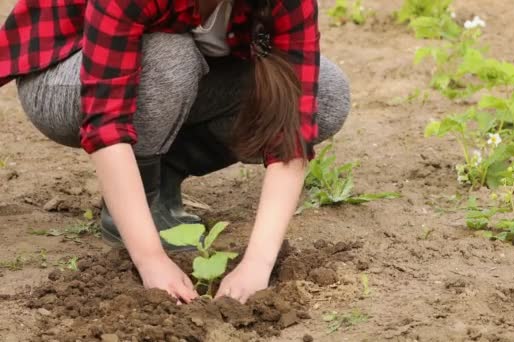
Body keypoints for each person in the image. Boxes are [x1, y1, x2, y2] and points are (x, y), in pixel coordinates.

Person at [0, 0, 350, 304]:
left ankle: (165, 173)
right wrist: (151, 259)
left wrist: (257, 265)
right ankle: (135, 202)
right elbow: (105, 125)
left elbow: (291, 130)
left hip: (165, 74)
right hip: (62, 76)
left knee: (324, 92)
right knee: (173, 56)